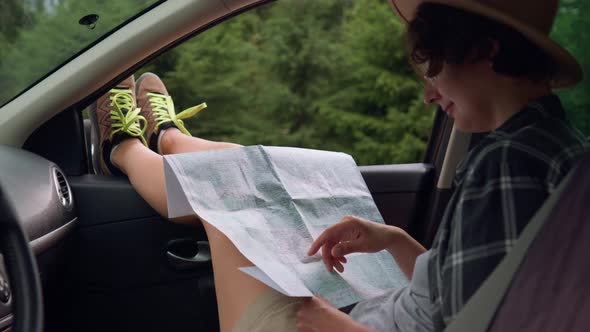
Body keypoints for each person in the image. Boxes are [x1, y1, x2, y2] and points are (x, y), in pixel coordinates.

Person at [89, 0, 589, 331]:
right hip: (383, 314)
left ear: (486, 52)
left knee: (228, 199)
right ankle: (168, 137)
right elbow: (470, 298)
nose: (428, 94)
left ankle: (125, 149)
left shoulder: (508, 164)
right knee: (249, 171)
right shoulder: (550, 147)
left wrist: (332, 326)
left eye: (433, 67)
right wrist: (391, 240)